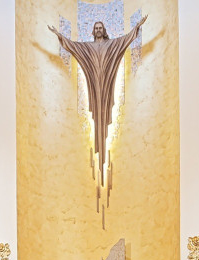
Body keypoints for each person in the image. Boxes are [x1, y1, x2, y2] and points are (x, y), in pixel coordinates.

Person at [47, 17, 148, 183]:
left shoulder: (112, 45)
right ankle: (100, 159)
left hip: (106, 84)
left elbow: (125, 40)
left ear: (104, 30)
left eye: (101, 27)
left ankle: (103, 160)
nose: (99, 29)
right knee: (97, 115)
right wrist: (59, 35)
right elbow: (74, 46)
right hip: (95, 85)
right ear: (93, 31)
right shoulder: (87, 48)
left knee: (104, 110)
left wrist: (137, 26)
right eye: (97, 27)